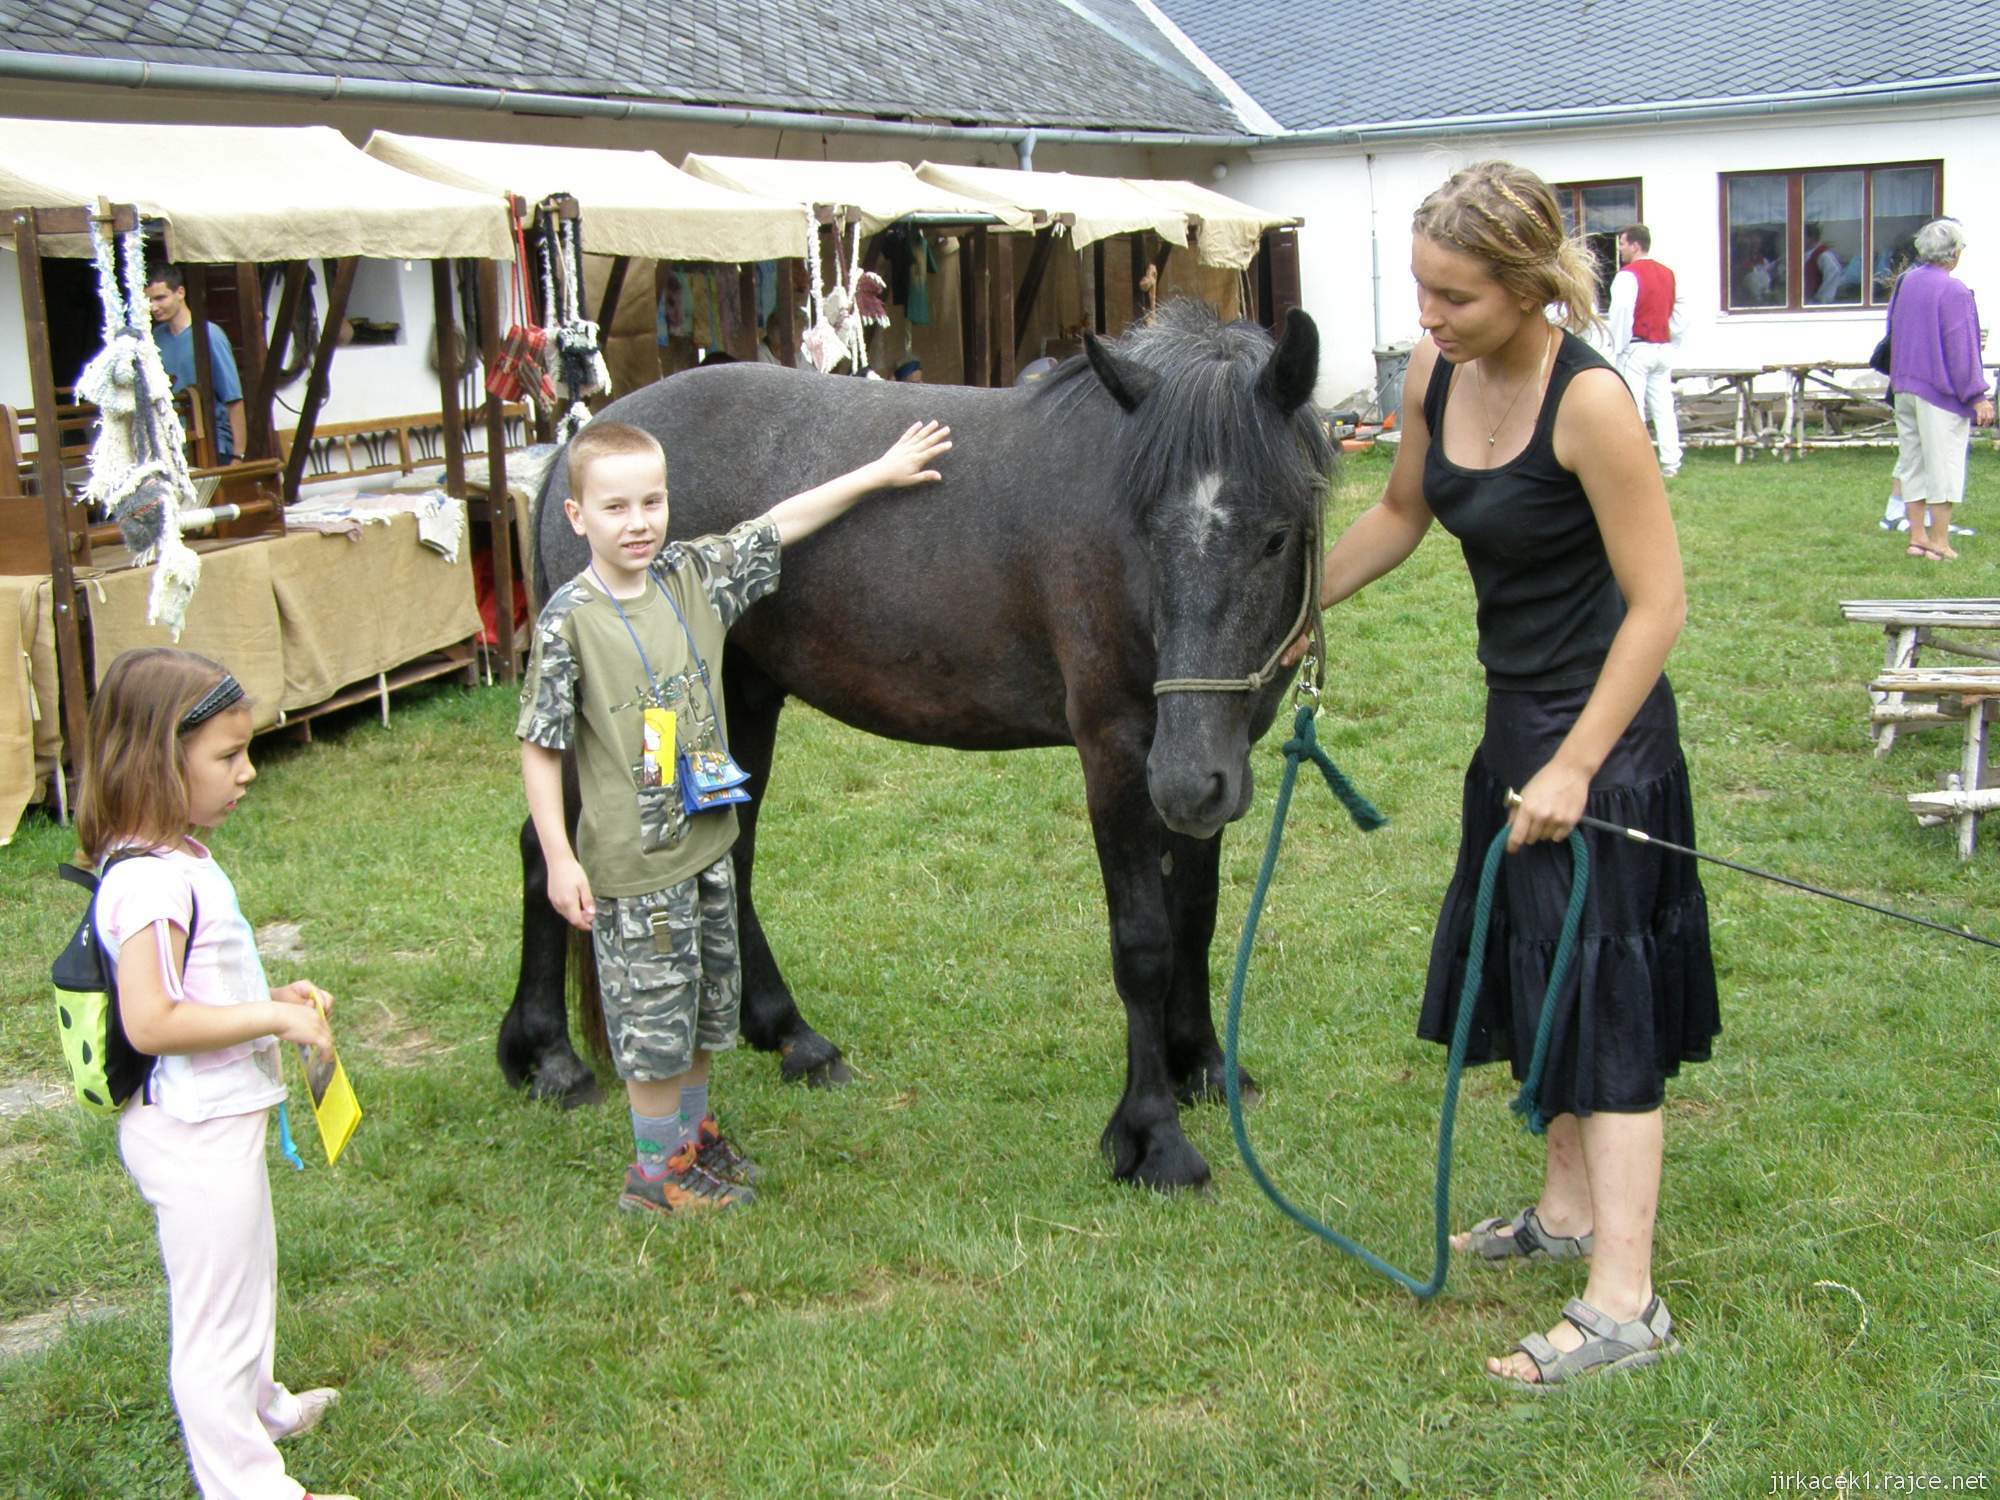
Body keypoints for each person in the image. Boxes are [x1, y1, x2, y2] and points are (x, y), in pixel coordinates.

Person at [1295, 161, 1718, 1387]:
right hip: (1510, 735)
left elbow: (1658, 603)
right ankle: (1565, 1215)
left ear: (1531, 289)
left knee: (1606, 1003)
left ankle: (1624, 1301)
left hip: (1605, 746)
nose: (1427, 321)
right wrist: (1285, 609)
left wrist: (1582, 764)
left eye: (1456, 300)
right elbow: (1399, 512)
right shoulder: (1436, 373)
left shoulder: (1588, 404)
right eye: (1420, 293)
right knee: (1541, 980)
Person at [519, 416, 952, 1217]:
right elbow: (541, 748)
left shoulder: (692, 578)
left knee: (705, 1005)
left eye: (652, 502)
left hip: (705, 845)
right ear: (576, 516)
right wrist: (561, 856)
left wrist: (876, 472)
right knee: (654, 1025)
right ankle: (656, 1177)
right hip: (634, 869)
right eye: (614, 508)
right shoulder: (567, 624)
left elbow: (780, 522)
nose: (638, 522)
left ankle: (693, 1139)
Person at [78, 647, 351, 1500]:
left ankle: (258, 1403)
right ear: (162, 758)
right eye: (228, 756)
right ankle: (248, 1485)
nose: (249, 772)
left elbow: (195, 989)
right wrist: (273, 1017)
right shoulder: (150, 885)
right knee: (213, 1319)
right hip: (190, 1134)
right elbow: (152, 1021)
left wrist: (268, 992)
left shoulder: (179, 859)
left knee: (247, 1277)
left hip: (219, 1121)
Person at [1886, 219, 1995, 560]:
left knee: (1912, 462)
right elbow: (1962, 348)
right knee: (1944, 464)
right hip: (1938, 392)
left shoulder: (1905, 282)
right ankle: (1939, 541)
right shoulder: (1954, 290)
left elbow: (1892, 331)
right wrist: (1977, 396)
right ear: (1954, 253)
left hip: (1904, 384)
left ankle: (1917, 538)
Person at [146, 265, 247, 464]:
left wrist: (238, 455)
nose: (153, 307)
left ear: (180, 293)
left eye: (160, 298)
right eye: (149, 300)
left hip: (212, 442)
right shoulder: (155, 339)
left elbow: (233, 399)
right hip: (172, 446)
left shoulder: (209, 335)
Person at [1608, 224, 1684, 477]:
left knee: (1633, 407)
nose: (1619, 249)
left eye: (1622, 243)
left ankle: (1637, 463)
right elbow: (1682, 312)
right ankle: (1671, 462)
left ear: (1635, 245)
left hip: (1637, 347)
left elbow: (1621, 312)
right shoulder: (1668, 274)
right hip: (1662, 346)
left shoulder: (1628, 275)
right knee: (1664, 407)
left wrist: (1618, 346)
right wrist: (1672, 337)